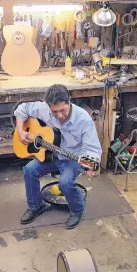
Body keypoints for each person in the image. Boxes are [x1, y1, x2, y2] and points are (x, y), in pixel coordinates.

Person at [14, 84, 102, 229]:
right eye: (55, 112)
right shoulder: (44, 109)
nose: (60, 116)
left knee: (65, 182)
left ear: (69, 101)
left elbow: (92, 149)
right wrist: (20, 131)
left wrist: (94, 166)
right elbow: (21, 109)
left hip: (73, 158)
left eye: (63, 110)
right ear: (48, 107)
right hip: (52, 154)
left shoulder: (84, 120)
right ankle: (36, 206)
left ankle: (77, 211)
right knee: (30, 170)